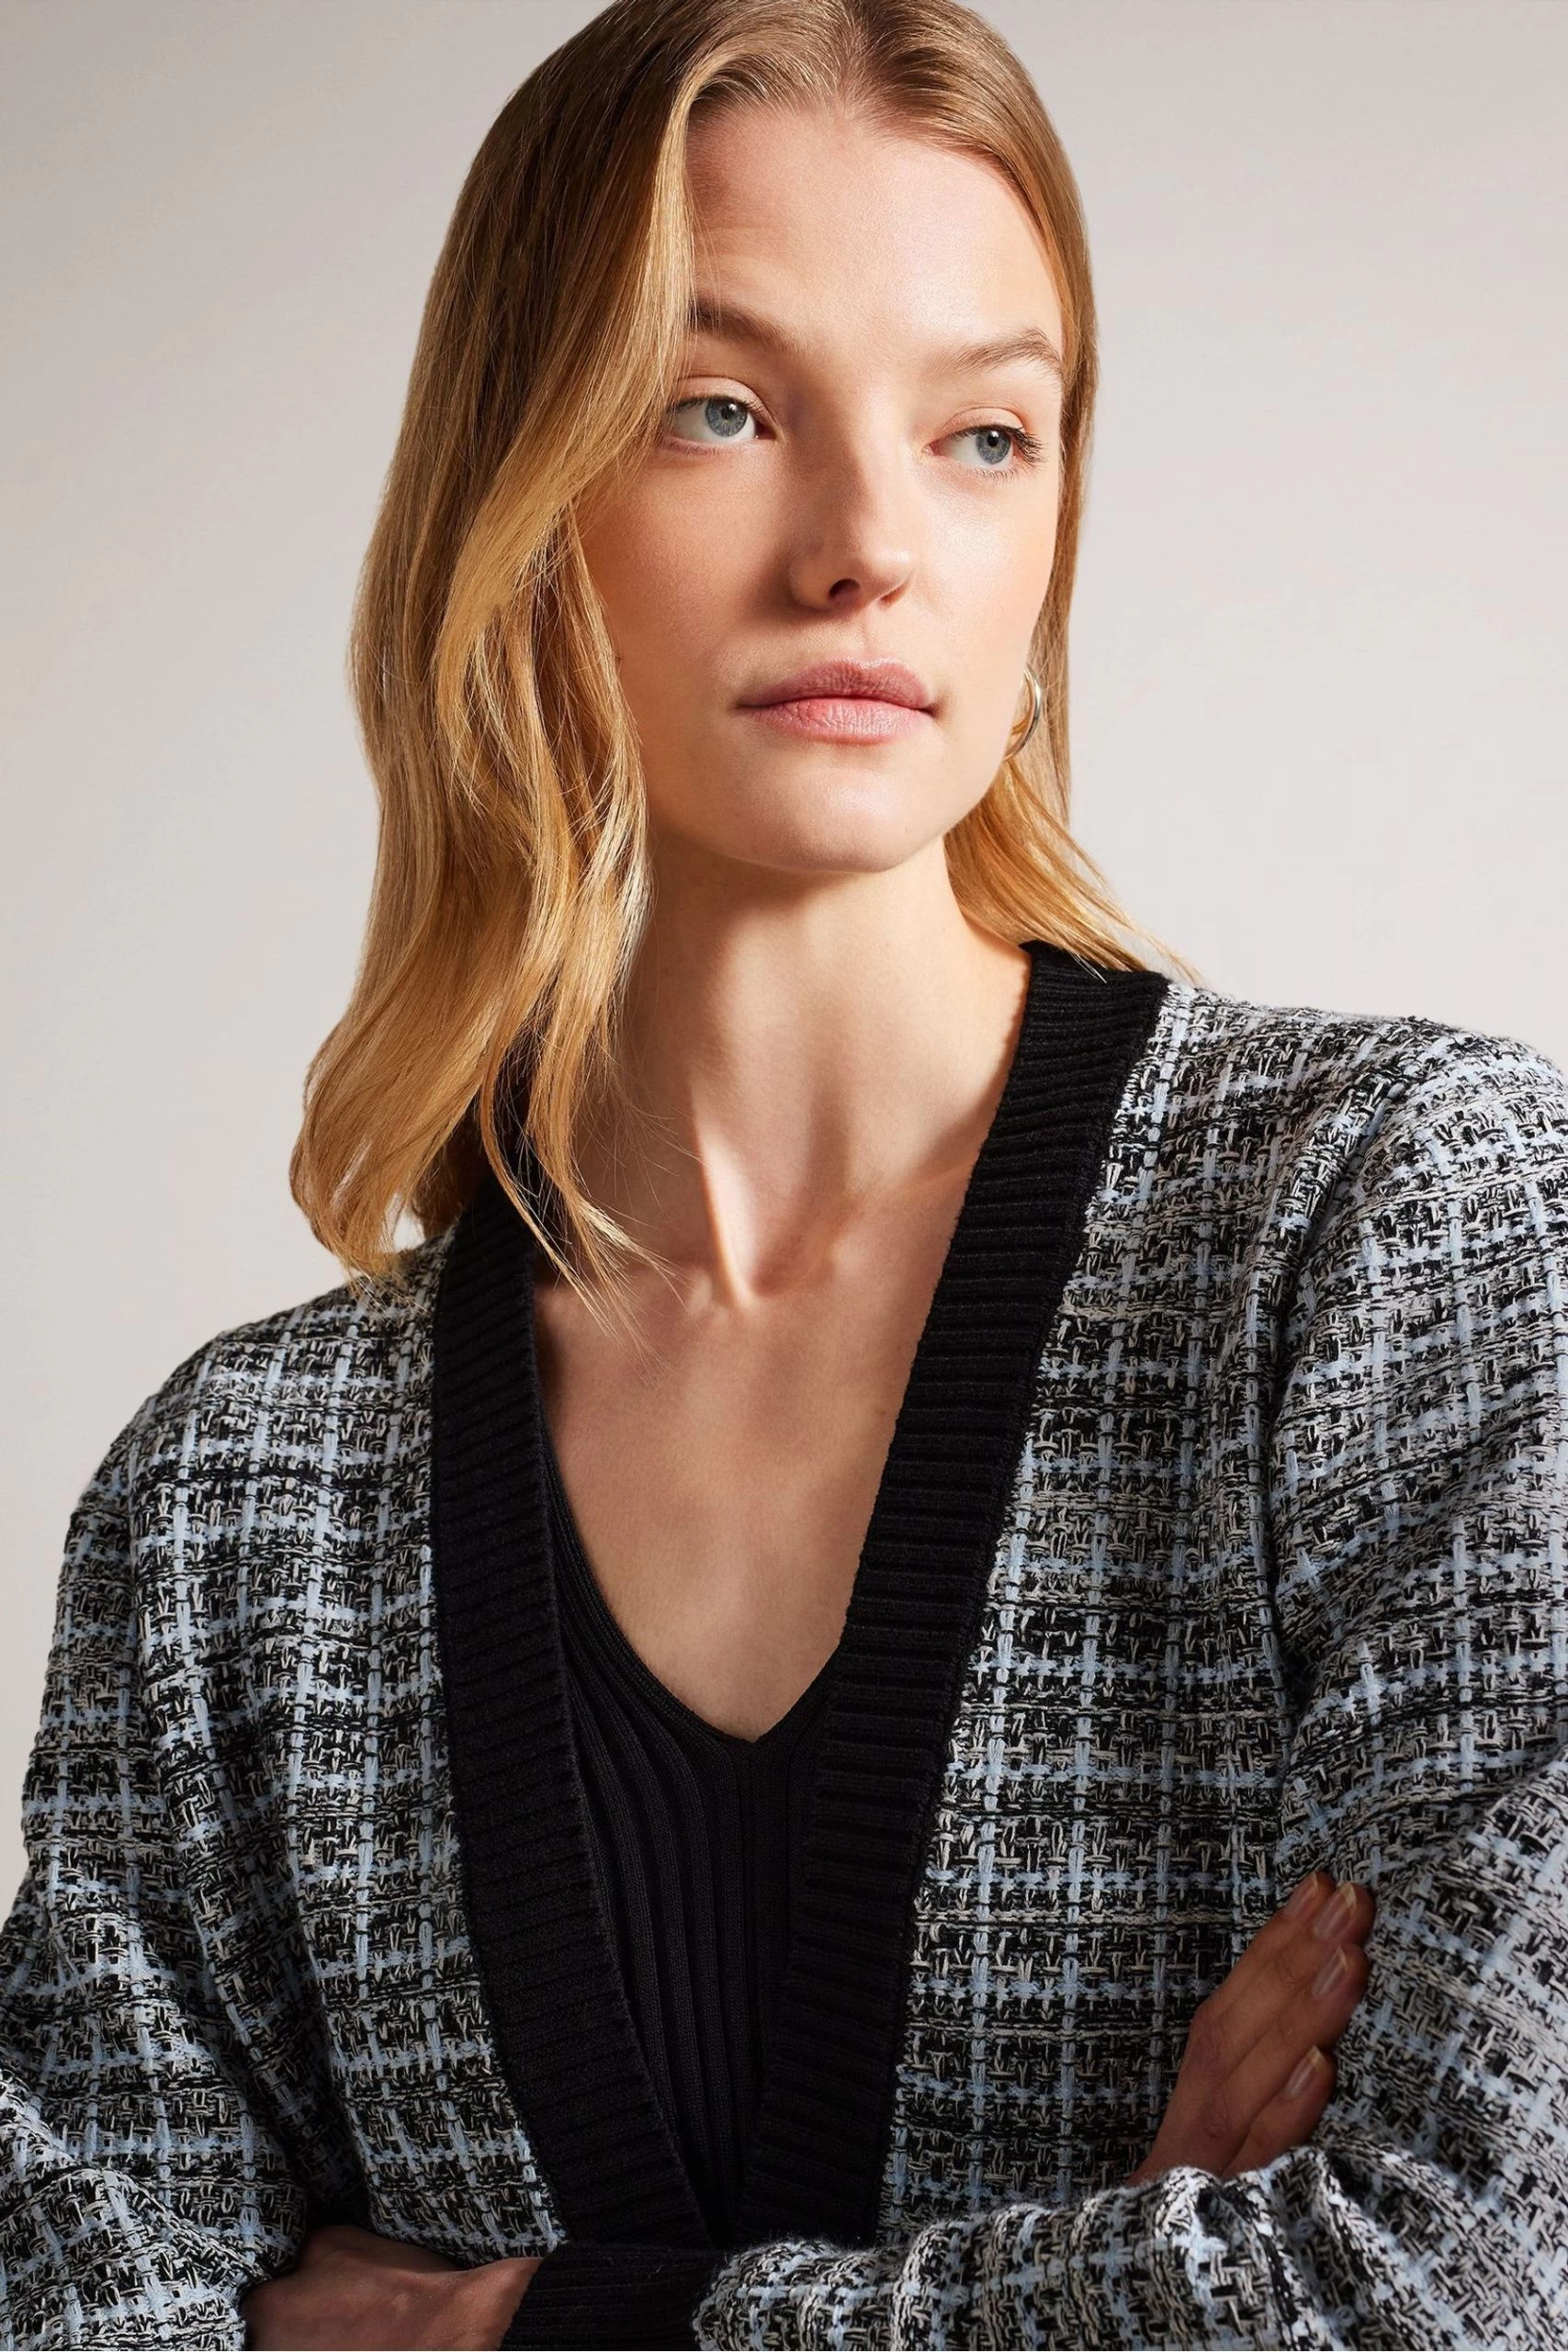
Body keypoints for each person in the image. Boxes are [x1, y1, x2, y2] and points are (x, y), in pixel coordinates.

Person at [4, 0, 1564, 2345]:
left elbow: (1465, 2275)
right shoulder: (235, 1515)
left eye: (981, 433)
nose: (866, 550)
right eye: (719, 408)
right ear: (519, 490)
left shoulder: (1392, 1234)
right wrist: (1120, 2280)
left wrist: (477, 2325)